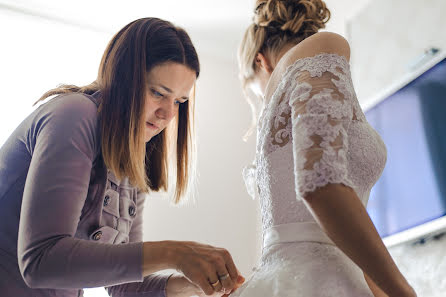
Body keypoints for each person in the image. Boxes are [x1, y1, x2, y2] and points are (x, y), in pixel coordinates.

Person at [0, 17, 244, 297]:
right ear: (123, 79)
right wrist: (175, 252)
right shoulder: (74, 114)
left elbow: (124, 286)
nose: (168, 115)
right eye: (157, 93)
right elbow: (40, 261)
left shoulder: (132, 155)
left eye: (178, 101)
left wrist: (194, 287)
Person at [234, 0, 417, 296]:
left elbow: (328, 223)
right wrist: (402, 291)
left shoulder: (305, 63)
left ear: (261, 62)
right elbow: (321, 184)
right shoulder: (325, 45)